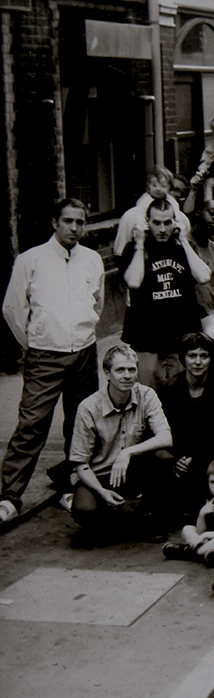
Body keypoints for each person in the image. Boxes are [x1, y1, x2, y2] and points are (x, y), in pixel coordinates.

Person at [0, 199, 104, 522]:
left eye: (81, 222)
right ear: (55, 223)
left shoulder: (92, 259)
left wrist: (83, 331)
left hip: (84, 352)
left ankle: (72, 485)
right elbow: (13, 309)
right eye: (69, 221)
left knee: (81, 422)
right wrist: (35, 341)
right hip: (45, 355)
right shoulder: (31, 260)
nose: (75, 228)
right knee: (32, 424)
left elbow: (97, 304)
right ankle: (9, 496)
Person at [67, 345, 174, 535]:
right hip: (97, 474)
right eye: (120, 370)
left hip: (130, 468)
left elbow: (166, 437)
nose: (127, 375)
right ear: (107, 373)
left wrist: (127, 452)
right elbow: (80, 464)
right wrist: (101, 491)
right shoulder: (89, 408)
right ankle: (111, 510)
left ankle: (149, 516)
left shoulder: (147, 395)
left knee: (163, 457)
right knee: (85, 512)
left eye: (132, 369)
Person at [120, 197, 211, 387]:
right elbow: (133, 282)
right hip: (146, 334)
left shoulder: (183, 248)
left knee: (180, 391)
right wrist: (139, 244)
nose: (162, 229)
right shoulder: (133, 249)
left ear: (175, 223)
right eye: (156, 223)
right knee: (147, 390)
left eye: (167, 222)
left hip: (181, 332)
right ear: (147, 223)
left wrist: (184, 241)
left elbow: (203, 276)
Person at [156, 332, 214, 515]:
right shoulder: (168, 388)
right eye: (192, 356)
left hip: (208, 455)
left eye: (204, 356)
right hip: (176, 454)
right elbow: (161, 428)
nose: (198, 362)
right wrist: (176, 459)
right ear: (183, 358)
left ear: (210, 359)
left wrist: (195, 458)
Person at [162, 457, 214, 564]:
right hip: (209, 540)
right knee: (187, 528)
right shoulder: (211, 499)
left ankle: (188, 552)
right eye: (213, 482)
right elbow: (199, 531)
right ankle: (203, 552)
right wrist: (202, 514)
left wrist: (205, 536)